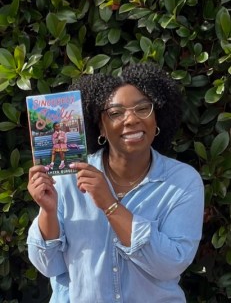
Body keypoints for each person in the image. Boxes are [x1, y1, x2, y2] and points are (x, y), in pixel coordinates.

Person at [27, 62, 204, 303]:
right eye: (116, 113)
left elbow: (171, 264)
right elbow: (50, 267)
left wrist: (110, 204)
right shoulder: (66, 177)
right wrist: (48, 211)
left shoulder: (183, 182)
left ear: (157, 118)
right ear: (100, 125)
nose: (131, 119)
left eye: (143, 108)